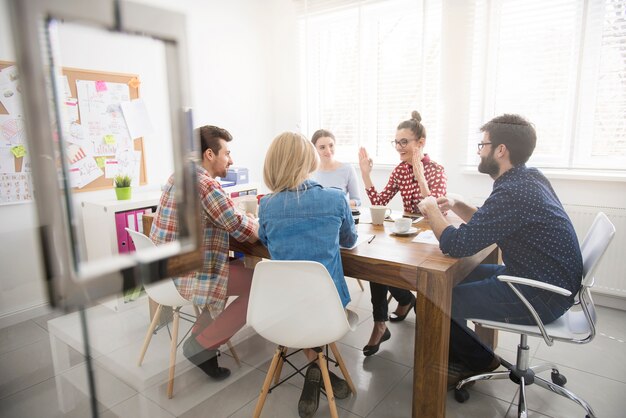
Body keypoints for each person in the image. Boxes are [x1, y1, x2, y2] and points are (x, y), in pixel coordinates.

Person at [417, 114, 583, 387]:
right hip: (543, 281)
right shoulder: (528, 178)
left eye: (482, 145)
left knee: (434, 300)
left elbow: (456, 246)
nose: (480, 152)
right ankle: (466, 355)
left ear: (500, 150)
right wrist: (457, 203)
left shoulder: (513, 191)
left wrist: (432, 210)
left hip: (540, 295)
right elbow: (489, 224)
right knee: (446, 283)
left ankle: (480, 361)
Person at [258, 132, 358, 418]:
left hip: (283, 310)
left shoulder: (266, 205)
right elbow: (349, 241)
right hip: (328, 310)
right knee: (317, 301)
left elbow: (265, 240)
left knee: (302, 302)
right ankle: (320, 369)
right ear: (308, 160)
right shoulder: (336, 199)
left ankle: (315, 367)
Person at [150, 125, 259, 380]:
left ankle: (200, 342)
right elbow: (243, 230)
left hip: (164, 273)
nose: (231, 160)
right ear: (210, 154)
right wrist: (254, 220)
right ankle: (203, 345)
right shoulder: (205, 185)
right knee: (259, 283)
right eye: (227, 153)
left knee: (237, 271)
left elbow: (225, 214)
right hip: (187, 275)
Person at [357, 110, 447, 356]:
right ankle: (380, 324)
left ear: (421, 143)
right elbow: (379, 200)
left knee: (396, 271)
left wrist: (419, 174)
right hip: (408, 235)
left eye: (404, 142)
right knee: (375, 262)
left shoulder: (436, 170)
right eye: (396, 142)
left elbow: (434, 212)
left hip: (432, 237)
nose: (399, 147)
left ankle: (406, 300)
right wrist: (365, 174)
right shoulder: (399, 170)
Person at [311, 129, 362, 207]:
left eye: (331, 145)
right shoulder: (309, 171)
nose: (328, 151)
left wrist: (339, 202)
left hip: (339, 216)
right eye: (322, 147)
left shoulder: (348, 169)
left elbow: (357, 201)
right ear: (314, 150)